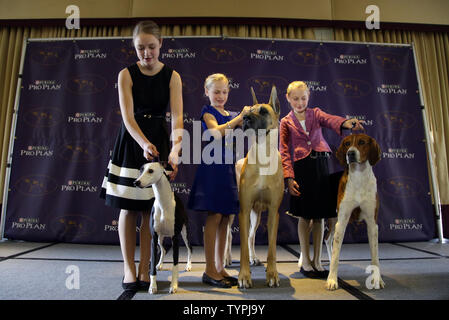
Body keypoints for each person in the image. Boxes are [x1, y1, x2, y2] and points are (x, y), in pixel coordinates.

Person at [100, 20, 183, 291]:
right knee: (128, 207)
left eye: (151, 47)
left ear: (161, 45)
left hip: (158, 140)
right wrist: (144, 143)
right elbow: (126, 116)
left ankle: (147, 267)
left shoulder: (173, 76)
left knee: (151, 208)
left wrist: (175, 150)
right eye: (140, 48)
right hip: (132, 140)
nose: (146, 53)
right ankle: (128, 268)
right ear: (134, 47)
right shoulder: (126, 74)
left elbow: (178, 117)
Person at [279, 81, 363, 278]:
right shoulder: (285, 121)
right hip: (302, 167)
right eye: (295, 99)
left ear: (308, 97)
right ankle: (306, 260)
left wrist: (345, 122)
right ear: (288, 99)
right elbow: (284, 151)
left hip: (321, 165)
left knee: (320, 216)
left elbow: (331, 120)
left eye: (303, 98)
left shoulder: (315, 113)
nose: (300, 102)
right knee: (304, 215)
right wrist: (289, 177)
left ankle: (317, 260)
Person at [188, 73, 251, 288]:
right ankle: (209, 270)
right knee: (214, 217)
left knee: (226, 219)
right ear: (207, 92)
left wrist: (249, 116)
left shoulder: (231, 114)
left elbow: (247, 129)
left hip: (228, 169)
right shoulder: (208, 112)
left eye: (224, 92)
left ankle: (219, 266)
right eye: (216, 92)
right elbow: (215, 133)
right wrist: (238, 119)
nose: (220, 96)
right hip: (213, 168)